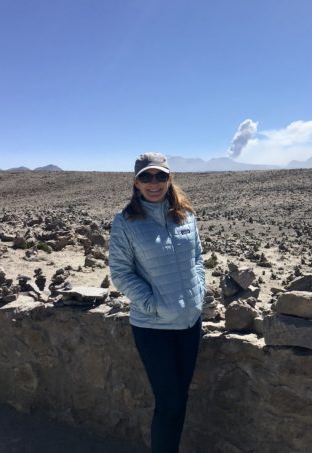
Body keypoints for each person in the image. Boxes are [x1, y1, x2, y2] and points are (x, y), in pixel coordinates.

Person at [109, 153, 205, 453]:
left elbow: (197, 260)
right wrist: (155, 305)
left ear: (169, 179)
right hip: (154, 328)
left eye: (160, 176)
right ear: (136, 182)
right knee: (169, 404)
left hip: (190, 323)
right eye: (147, 177)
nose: (154, 183)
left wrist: (198, 293)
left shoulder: (186, 215)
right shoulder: (126, 222)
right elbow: (120, 274)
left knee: (181, 400)